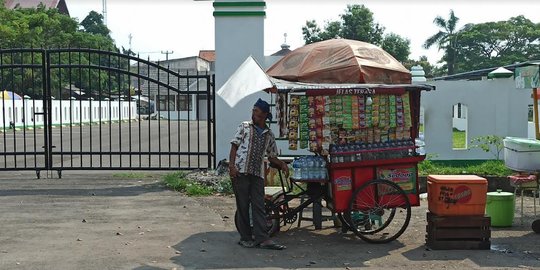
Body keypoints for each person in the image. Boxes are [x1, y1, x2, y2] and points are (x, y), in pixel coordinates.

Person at [229, 98, 289, 250]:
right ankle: (245, 237)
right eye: (253, 111)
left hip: (257, 173)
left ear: (264, 116)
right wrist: (232, 166)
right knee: (242, 205)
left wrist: (282, 165)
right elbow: (234, 146)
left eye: (256, 112)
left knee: (259, 205)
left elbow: (272, 156)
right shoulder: (244, 127)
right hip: (241, 171)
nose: (253, 114)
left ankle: (262, 238)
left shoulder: (269, 134)